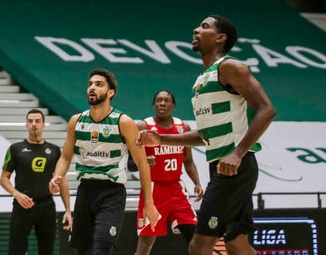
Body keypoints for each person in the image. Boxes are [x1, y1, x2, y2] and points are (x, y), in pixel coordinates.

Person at [137, 15, 276, 255]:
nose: (196, 29)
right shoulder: (202, 80)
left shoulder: (231, 67)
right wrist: (161, 138)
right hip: (221, 165)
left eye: (204, 27)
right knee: (236, 243)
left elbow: (267, 109)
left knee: (199, 245)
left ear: (220, 38)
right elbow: (205, 135)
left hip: (235, 168)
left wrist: (238, 153)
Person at [49, 68, 159, 255]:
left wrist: (149, 202)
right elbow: (66, 157)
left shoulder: (123, 122)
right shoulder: (76, 121)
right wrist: (57, 176)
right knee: (82, 250)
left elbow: (142, 163)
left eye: (99, 85)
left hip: (111, 193)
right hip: (85, 191)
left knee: (102, 248)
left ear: (110, 93)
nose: (92, 88)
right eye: (90, 84)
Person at [133, 90, 204, 255]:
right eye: (158, 100)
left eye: (166, 100)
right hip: (153, 189)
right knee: (146, 243)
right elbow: (129, 157)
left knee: (194, 236)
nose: (162, 104)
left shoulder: (182, 127)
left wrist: (197, 183)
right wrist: (141, 162)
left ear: (173, 105)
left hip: (176, 188)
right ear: (154, 104)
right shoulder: (144, 126)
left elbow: (188, 160)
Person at [0, 109, 71, 255]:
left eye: (37, 121)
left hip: (47, 206)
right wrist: (16, 194)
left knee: (47, 250)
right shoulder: (15, 149)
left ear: (44, 124)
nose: (34, 124)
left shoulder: (54, 150)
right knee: (16, 250)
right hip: (22, 206)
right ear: (26, 124)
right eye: (30, 121)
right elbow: (3, 178)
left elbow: (62, 181)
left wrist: (68, 210)